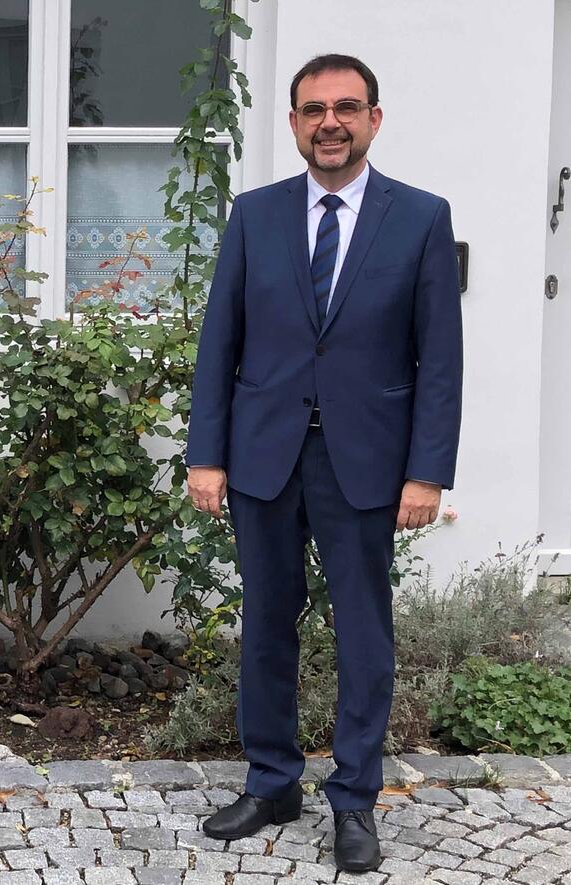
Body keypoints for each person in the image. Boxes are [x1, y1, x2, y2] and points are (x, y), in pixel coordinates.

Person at [185, 54, 462, 872]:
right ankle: (272, 781)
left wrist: (427, 470)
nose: (329, 122)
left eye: (346, 107)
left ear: (375, 118)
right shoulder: (255, 214)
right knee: (267, 623)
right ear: (295, 122)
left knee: (363, 633)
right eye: (313, 110)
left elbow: (437, 358)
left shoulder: (418, 217)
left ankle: (354, 800)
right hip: (264, 456)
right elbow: (219, 344)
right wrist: (207, 454)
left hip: (367, 465)